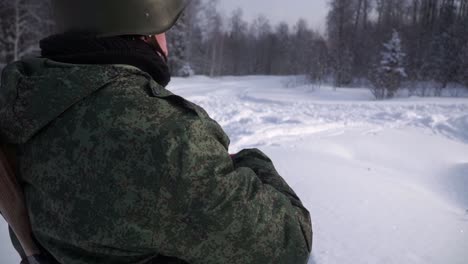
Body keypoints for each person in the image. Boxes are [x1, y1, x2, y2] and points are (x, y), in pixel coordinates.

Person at [0, 0, 312, 263]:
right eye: (164, 31)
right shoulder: (166, 139)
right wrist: (252, 162)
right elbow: (288, 241)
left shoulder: (23, 104)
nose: (167, 42)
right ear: (142, 30)